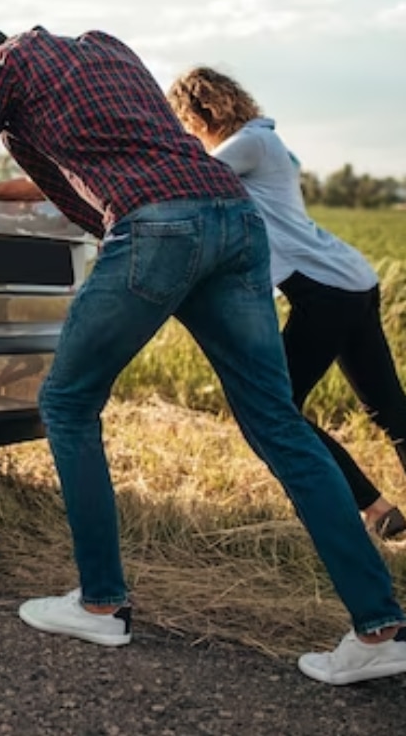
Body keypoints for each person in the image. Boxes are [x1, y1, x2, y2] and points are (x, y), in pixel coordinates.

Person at [0, 23, 406, 686]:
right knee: (278, 423)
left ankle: (99, 601)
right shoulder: (107, 48)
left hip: (160, 224)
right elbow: (82, 193)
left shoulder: (1, 63)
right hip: (233, 221)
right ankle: (380, 627)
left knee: (67, 401)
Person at [166, 67, 406, 540]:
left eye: (185, 121)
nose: (187, 131)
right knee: (388, 406)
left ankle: (373, 509)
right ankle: (378, 509)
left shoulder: (251, 144)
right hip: (349, 280)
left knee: (275, 406)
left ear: (204, 111)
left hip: (325, 290)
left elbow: (189, 179)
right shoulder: (267, 142)